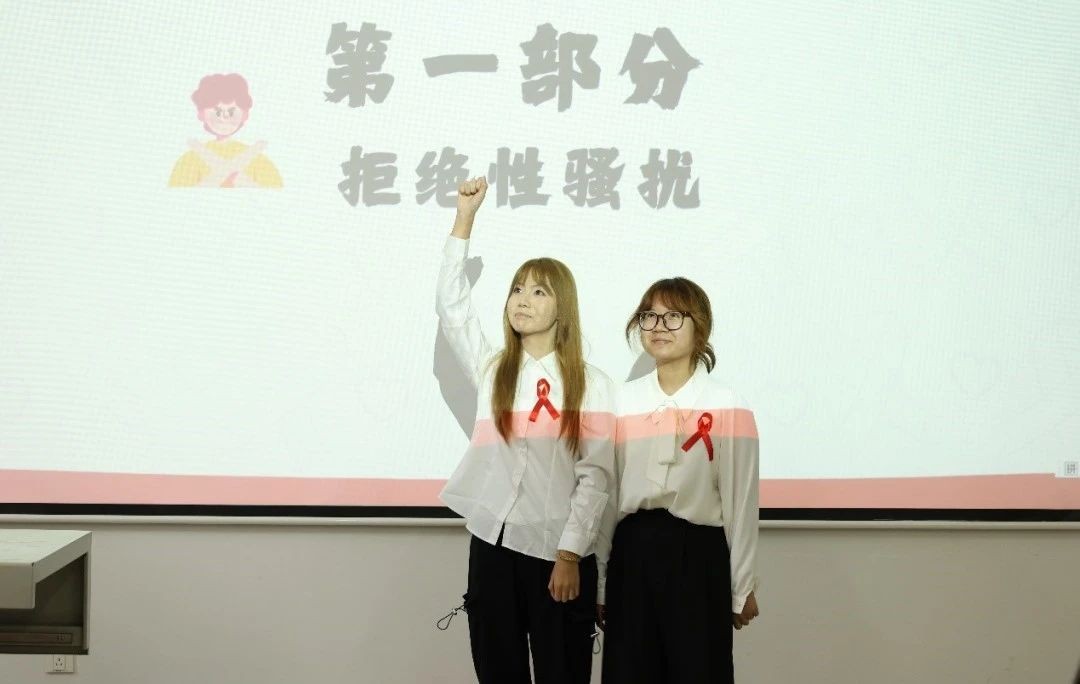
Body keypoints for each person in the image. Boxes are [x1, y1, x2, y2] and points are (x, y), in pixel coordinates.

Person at [437, 177, 616, 683]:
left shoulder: (593, 385)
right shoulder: (495, 370)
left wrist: (569, 555)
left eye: (539, 291)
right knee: (497, 669)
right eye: (517, 288)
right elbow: (452, 309)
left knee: (563, 671)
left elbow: (596, 478)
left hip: (557, 553)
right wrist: (465, 219)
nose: (523, 299)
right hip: (492, 546)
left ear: (563, 307)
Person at [601, 277, 760, 683]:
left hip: (699, 557)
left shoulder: (728, 404)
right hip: (632, 555)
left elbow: (741, 503)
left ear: (699, 326)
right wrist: (599, 581)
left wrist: (741, 586)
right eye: (649, 316)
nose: (659, 326)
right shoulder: (621, 402)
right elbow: (607, 495)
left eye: (673, 316)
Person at [168, 73, 282, 188]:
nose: (224, 118)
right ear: (201, 114)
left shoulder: (260, 162)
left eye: (231, 112)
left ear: (245, 115)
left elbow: (274, 192)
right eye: (217, 112)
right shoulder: (189, 161)